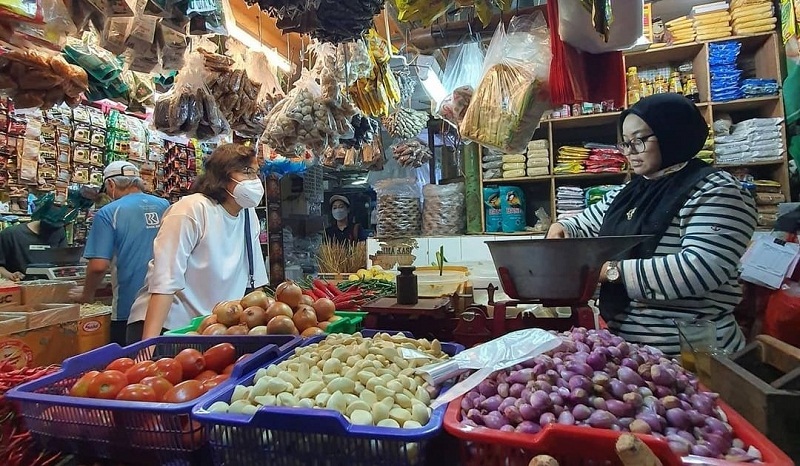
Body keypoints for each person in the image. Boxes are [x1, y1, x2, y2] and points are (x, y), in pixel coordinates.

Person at [546, 93, 757, 356]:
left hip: (690, 353)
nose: (629, 152)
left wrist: (611, 271)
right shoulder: (631, 191)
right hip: (628, 351)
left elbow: (702, 268)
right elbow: (584, 223)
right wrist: (562, 229)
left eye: (639, 141)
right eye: (625, 143)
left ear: (673, 134)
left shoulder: (717, 191)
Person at [127, 144, 268, 343]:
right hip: (168, 328)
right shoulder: (191, 209)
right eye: (247, 172)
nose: (255, 181)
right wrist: (148, 346)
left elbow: (255, 286)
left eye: (256, 173)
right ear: (223, 176)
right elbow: (165, 282)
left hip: (210, 330)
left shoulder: (248, 215)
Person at [69, 161, 170, 346]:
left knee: (130, 366)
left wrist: (87, 295)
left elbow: (98, 267)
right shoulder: (165, 205)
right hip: (168, 303)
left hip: (129, 309)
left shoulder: (108, 212)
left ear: (111, 185)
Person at [0, 189, 94, 281]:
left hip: (50, 289)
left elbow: (63, 263)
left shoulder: (58, 232)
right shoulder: (10, 235)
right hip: (21, 290)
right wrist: (10, 275)